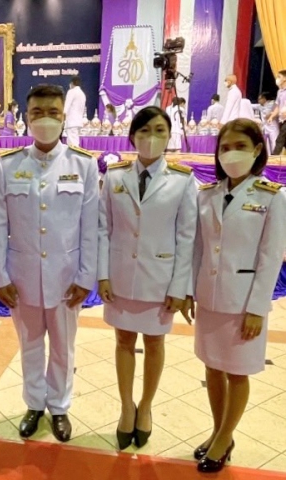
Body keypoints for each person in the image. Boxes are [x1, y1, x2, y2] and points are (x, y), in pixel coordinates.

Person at [0, 84, 99, 442]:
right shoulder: (8, 166)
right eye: (38, 113)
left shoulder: (83, 165)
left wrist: (86, 277)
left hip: (67, 278)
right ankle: (35, 404)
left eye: (53, 112)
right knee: (30, 345)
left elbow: (91, 227)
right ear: (26, 117)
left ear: (64, 117)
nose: (46, 119)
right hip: (21, 277)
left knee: (64, 348)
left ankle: (60, 407)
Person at [182, 119, 286, 473]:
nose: (231, 154)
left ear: (257, 149)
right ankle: (219, 432)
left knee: (237, 373)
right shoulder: (207, 194)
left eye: (240, 146)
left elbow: (271, 257)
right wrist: (189, 291)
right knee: (212, 367)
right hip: (210, 298)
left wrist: (258, 308)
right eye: (225, 148)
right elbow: (198, 248)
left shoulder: (272, 196)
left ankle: (225, 437)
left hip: (244, 303)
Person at [98, 106, 197, 450]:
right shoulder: (115, 177)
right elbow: (103, 228)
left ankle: (147, 406)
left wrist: (181, 287)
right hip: (121, 276)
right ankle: (127, 407)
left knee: (155, 343)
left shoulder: (183, 180)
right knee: (123, 341)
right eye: (144, 131)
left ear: (169, 137)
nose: (151, 138)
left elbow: (187, 237)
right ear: (132, 137)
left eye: (159, 131)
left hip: (161, 279)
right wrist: (102, 275)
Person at [64, 76, 86, 146]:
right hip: (78, 121)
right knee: (75, 141)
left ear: (72, 83)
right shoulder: (82, 94)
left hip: (71, 121)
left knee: (72, 143)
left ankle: (74, 153)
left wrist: (62, 116)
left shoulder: (71, 91)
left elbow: (66, 106)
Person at [268, 70, 286, 155]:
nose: (277, 79)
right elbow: (278, 107)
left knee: (280, 139)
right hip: (281, 119)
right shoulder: (279, 92)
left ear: (285, 79)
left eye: (279, 77)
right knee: (284, 141)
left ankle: (273, 156)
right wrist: (271, 116)